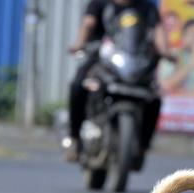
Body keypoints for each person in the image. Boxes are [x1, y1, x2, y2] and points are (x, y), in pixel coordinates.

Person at [63, 0, 167, 162]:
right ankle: (74, 138)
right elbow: (88, 24)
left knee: (155, 98)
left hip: (134, 62)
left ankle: (143, 147)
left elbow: (158, 31)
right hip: (100, 58)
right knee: (78, 86)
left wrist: (165, 51)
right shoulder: (99, 4)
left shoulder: (146, 7)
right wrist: (80, 44)